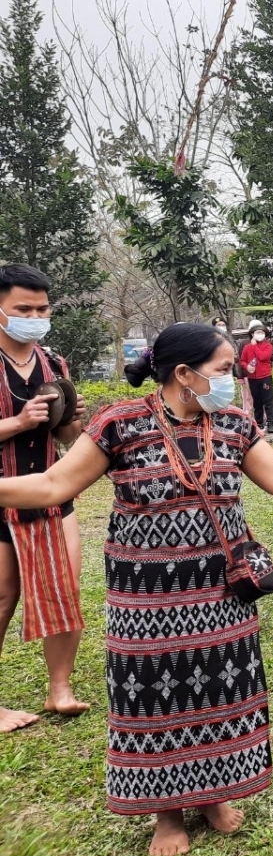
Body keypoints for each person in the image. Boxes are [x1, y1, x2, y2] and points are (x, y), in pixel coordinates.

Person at [0, 322, 273, 856]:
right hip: (146, 597)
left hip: (221, 592)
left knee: (222, 692)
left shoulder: (234, 424)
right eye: (224, 370)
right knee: (155, 698)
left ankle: (214, 795)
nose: (234, 379)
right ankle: (168, 814)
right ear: (184, 373)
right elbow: (53, 485)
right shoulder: (120, 423)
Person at [0, 264, 89, 733]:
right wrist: (17, 422)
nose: (35, 316)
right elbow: (20, 425)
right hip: (2, 490)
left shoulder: (53, 362)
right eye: (23, 309)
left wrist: (72, 418)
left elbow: (69, 435)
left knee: (63, 589)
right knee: (2, 595)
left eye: (42, 308)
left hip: (52, 489)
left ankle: (60, 690)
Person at [239, 319, 273, 434]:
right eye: (257, 332)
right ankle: (259, 422)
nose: (260, 334)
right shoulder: (246, 348)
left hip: (265, 376)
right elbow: (242, 361)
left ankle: (271, 422)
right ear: (252, 334)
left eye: (262, 332)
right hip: (252, 378)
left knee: (268, 399)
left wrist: (255, 346)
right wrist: (247, 367)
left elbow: (262, 357)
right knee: (257, 401)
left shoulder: (268, 346)